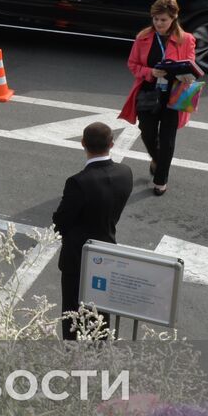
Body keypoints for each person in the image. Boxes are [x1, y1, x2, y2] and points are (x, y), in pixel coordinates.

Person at [51, 122, 133, 340]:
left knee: (73, 318)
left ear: (83, 144)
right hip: (106, 252)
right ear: (112, 144)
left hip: (77, 257)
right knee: (100, 314)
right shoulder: (125, 173)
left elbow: (60, 221)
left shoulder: (78, 182)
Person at [117, 0, 200, 197]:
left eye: (163, 20)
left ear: (174, 18)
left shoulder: (187, 39)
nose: (158, 24)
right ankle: (156, 159)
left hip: (175, 93)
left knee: (168, 138)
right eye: (155, 19)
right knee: (146, 132)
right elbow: (132, 64)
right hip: (148, 91)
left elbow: (191, 64)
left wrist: (182, 71)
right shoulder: (143, 37)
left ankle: (161, 179)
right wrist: (150, 72)